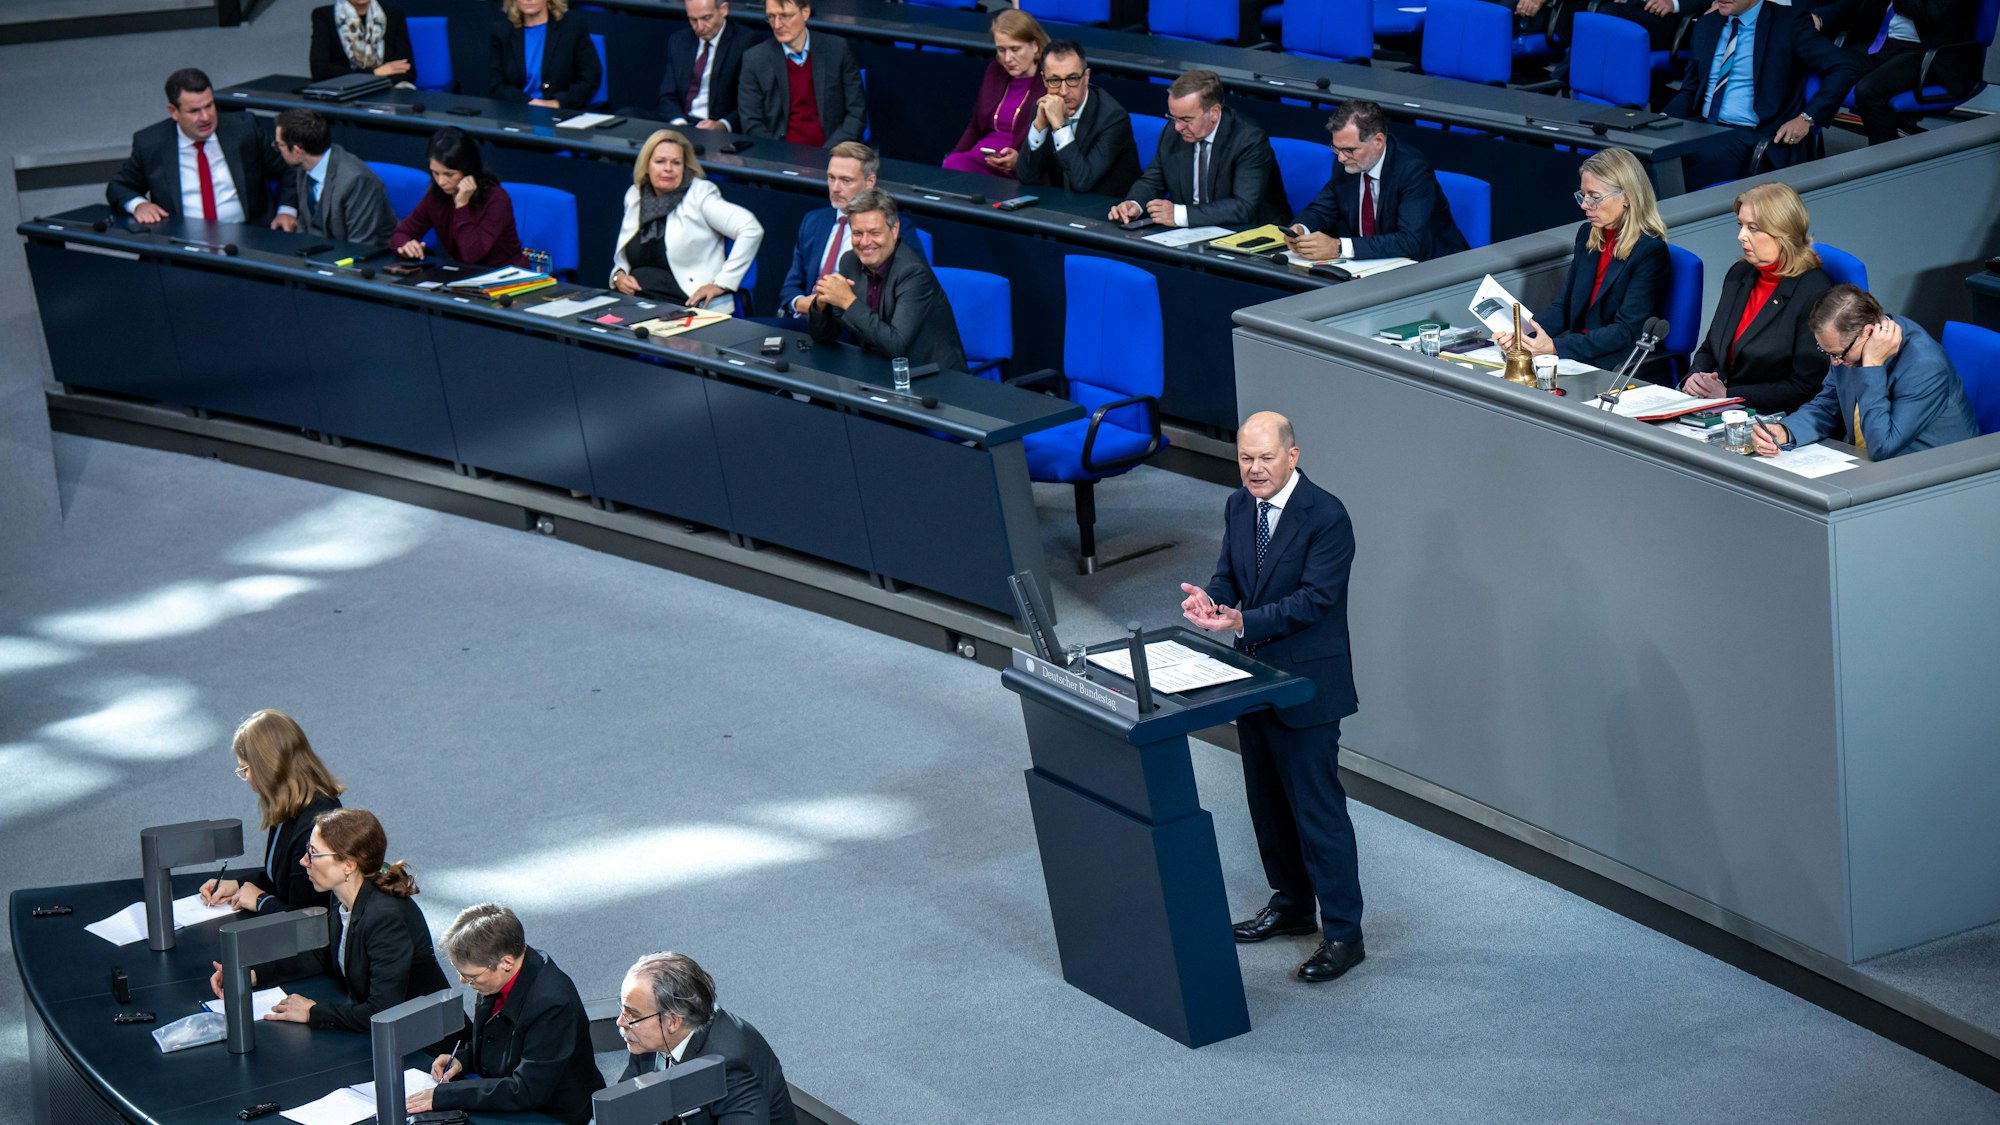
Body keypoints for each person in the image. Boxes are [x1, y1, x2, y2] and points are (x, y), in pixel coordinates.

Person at [1178, 412, 1364, 985]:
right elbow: (1230, 573)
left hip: (1307, 686)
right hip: (1253, 678)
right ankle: (1290, 905)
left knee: (1317, 812)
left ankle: (1343, 934)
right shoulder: (1239, 506)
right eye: (1245, 458)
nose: (1254, 470)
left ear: (1293, 455)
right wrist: (1211, 601)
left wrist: (1242, 619)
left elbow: (1316, 599)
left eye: (1265, 458)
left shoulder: (1327, 516)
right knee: (1266, 802)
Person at [207, 808, 450, 1031]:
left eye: (313, 853)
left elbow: (382, 1011)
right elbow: (323, 954)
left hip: (426, 1044)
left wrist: (313, 1013)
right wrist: (254, 974)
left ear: (348, 865)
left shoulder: (386, 918)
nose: (303, 861)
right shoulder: (342, 895)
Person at [409, 904, 604, 1124]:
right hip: (508, 1095)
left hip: (550, 1114)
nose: (464, 981)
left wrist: (446, 1096)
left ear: (506, 963)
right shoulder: (497, 977)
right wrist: (463, 1060)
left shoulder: (552, 1004)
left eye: (471, 976)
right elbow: (500, 1042)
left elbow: (527, 1089)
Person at [1495, 148, 1670, 378]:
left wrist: (1557, 347)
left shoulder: (1649, 251)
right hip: (1577, 355)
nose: (1584, 205)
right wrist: (1524, 335)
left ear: (1627, 196)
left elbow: (1625, 332)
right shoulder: (1588, 234)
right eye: (1583, 195)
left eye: (1595, 197)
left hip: (1616, 364)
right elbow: (1564, 307)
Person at [1753, 284, 1978, 461]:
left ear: (1868, 332)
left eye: (1838, 353)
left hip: (1936, 475)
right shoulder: (1848, 349)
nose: (1835, 362)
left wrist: (1872, 366)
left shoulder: (1925, 365)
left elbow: (1882, 446)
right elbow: (1827, 406)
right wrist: (1785, 431)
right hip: (1875, 467)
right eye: (1827, 352)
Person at [1661, 0, 1857, 188]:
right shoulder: (1707, 24)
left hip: (1750, 135)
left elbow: (1842, 68)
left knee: (1669, 170)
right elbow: (1690, 90)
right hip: (1700, 126)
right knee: (1640, 156)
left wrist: (1807, 118)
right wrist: (1658, 122)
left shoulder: (1789, 23)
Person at [1683, 182, 1833, 414]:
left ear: (1784, 233)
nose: (1741, 236)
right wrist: (1695, 378)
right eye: (1740, 225)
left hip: (1772, 417)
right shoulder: (1739, 274)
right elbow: (1710, 348)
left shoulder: (1814, 291)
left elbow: (1805, 387)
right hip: (1717, 407)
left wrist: (1728, 395)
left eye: (1753, 228)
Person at [616, 951, 797, 1125]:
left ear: (672, 1021)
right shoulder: (645, 1037)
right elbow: (625, 1101)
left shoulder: (731, 1066)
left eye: (632, 1015)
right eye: (622, 1009)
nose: (620, 1022)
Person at [1285, 100, 1469, 264]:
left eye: (1349, 150)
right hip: (1374, 265)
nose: (1340, 158)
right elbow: (1322, 208)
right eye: (1336, 148)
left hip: (1431, 268)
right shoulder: (1347, 163)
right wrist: (1301, 229)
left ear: (1378, 141)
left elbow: (1410, 241)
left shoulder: (1412, 170)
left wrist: (1338, 247)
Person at [198, 710, 344, 915]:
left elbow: (307, 919)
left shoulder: (312, 827)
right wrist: (237, 885)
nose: (246, 777)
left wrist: (260, 901)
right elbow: (282, 880)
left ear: (267, 767)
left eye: (245, 769)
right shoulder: (288, 805)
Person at [109, 68, 295, 229]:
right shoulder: (151, 143)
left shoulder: (243, 129)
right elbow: (118, 186)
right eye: (194, 111)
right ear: (173, 112)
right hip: (182, 244)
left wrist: (287, 210)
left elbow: (291, 167)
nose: (205, 117)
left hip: (249, 239)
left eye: (209, 106)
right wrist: (139, 205)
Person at [808, 189, 966, 372]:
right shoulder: (850, 262)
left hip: (933, 375)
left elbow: (896, 345)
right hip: (878, 370)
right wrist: (821, 304)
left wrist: (847, 302)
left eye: (874, 233)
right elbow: (824, 336)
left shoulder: (913, 273)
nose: (865, 242)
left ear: (894, 230)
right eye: (858, 233)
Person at [1108, 70, 1288, 231]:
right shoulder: (1173, 132)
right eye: (1173, 117)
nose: (1177, 127)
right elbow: (1153, 180)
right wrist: (1134, 204)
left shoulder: (1248, 140)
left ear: (1215, 112)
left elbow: (1244, 207)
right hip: (1193, 232)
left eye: (1186, 119)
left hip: (1249, 232)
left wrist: (1179, 214)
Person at [610, 129, 764, 309]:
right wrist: (618, 276)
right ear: (646, 165)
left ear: (685, 167)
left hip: (684, 305)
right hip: (635, 301)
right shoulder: (635, 194)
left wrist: (722, 283)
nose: (668, 168)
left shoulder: (700, 195)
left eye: (676, 163)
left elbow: (751, 228)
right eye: (660, 161)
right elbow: (624, 256)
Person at [1810, 0, 1982, 145]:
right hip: (1881, 45)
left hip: (1925, 53)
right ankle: (1801, 148)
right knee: (1813, 65)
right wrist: (1820, 17)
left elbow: (1933, 14)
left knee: (1869, 91)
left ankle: (1886, 169)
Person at [1016, 40, 1141, 196]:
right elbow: (1026, 177)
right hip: (1064, 204)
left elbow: (1083, 182)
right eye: (1054, 80)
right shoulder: (1042, 108)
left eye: (1072, 79)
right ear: (1043, 79)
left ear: (1086, 76)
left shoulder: (1113, 118)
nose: (1063, 91)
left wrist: (1060, 127)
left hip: (1108, 208)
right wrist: (1039, 125)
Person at [391, 127, 528, 267]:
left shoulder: (496, 199)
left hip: (507, 277)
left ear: (468, 170)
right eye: (435, 173)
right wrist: (406, 246)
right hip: (464, 276)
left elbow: (472, 255)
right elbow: (400, 234)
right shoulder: (436, 196)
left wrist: (461, 205)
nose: (441, 182)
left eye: (449, 174)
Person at [738, 0, 867, 149]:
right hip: (779, 155)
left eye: (785, 16)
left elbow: (856, 113)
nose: (777, 25)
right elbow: (751, 122)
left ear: (805, 13)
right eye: (771, 17)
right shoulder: (754, 59)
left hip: (833, 154)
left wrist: (829, 152)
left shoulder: (837, 50)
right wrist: (779, 153)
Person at [942, 9, 1049, 178]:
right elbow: (975, 125)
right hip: (982, 159)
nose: (1007, 58)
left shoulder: (1049, 80)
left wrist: (1020, 161)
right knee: (954, 163)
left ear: (1035, 46)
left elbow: (1049, 142)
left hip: (1020, 166)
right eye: (1001, 50)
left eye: (1015, 49)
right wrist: (954, 155)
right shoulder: (995, 72)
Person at [272, 107, 398, 247]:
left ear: (297, 151)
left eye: (279, 145)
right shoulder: (303, 166)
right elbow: (306, 226)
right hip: (319, 256)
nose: (278, 149)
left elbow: (361, 247)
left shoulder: (357, 181)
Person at [488, 0, 602, 110]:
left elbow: (590, 78)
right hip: (517, 111)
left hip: (562, 112)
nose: (528, 0)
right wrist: (527, 103)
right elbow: (496, 85)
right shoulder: (502, 31)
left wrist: (557, 102)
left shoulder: (573, 26)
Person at [656, 0, 750, 132]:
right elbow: (667, 96)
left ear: (723, 10)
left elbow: (751, 104)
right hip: (682, 123)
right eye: (693, 20)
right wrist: (680, 125)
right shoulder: (679, 40)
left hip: (716, 127)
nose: (699, 27)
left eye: (706, 18)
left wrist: (722, 125)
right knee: (628, 113)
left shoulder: (746, 42)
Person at [309, 0, 413, 83]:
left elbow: (407, 71)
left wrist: (359, 77)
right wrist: (375, 73)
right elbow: (320, 71)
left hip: (387, 90)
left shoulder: (394, 15)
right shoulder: (324, 16)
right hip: (345, 92)